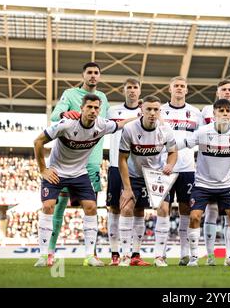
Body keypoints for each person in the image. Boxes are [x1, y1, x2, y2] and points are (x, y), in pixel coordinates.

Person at [33, 94, 132, 267]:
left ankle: (89, 256)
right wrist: (43, 169)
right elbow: (38, 141)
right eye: (89, 107)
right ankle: (42, 256)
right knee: (48, 206)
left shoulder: (102, 125)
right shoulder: (67, 124)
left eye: (96, 108)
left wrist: (140, 117)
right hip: (56, 171)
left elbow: (122, 123)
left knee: (91, 207)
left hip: (79, 173)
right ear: (82, 108)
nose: (93, 111)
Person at [35, 62, 110, 266]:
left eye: (96, 73)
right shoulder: (69, 93)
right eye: (89, 73)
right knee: (57, 207)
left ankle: (90, 254)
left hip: (91, 163)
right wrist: (64, 115)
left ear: (99, 77)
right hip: (65, 160)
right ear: (83, 75)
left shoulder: (102, 98)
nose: (93, 76)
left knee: (91, 207)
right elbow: (54, 117)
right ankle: (49, 252)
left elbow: (107, 125)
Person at [178, 99, 230, 267]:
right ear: (214, 114)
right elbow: (183, 144)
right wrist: (164, 147)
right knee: (194, 216)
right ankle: (194, 257)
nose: (225, 113)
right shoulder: (203, 131)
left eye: (228, 111)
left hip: (226, 184)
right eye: (221, 110)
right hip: (202, 184)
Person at [118, 95, 178, 268]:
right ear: (141, 110)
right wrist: (127, 188)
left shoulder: (166, 129)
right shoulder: (129, 129)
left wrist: (170, 164)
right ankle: (125, 255)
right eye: (149, 109)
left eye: (156, 110)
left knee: (164, 208)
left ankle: (159, 256)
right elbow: (122, 159)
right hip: (134, 174)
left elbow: (173, 152)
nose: (152, 113)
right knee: (127, 207)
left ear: (160, 111)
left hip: (155, 174)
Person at [200, 80, 230, 266]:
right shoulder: (205, 111)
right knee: (211, 210)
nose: (227, 92)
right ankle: (210, 256)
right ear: (217, 92)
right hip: (210, 168)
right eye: (224, 90)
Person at [159, 76, 202, 266]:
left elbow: (201, 139)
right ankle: (160, 254)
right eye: (175, 85)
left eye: (182, 86)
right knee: (162, 209)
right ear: (170, 89)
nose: (179, 88)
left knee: (186, 209)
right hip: (163, 167)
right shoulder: (160, 110)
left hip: (187, 168)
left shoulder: (195, 113)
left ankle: (185, 253)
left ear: (187, 90)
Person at [105, 78, 146, 266]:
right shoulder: (112, 111)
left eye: (135, 87)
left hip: (138, 168)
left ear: (139, 90)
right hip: (115, 165)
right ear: (124, 90)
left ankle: (135, 254)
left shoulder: (147, 111)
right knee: (114, 208)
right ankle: (115, 253)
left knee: (138, 209)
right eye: (128, 87)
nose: (132, 90)